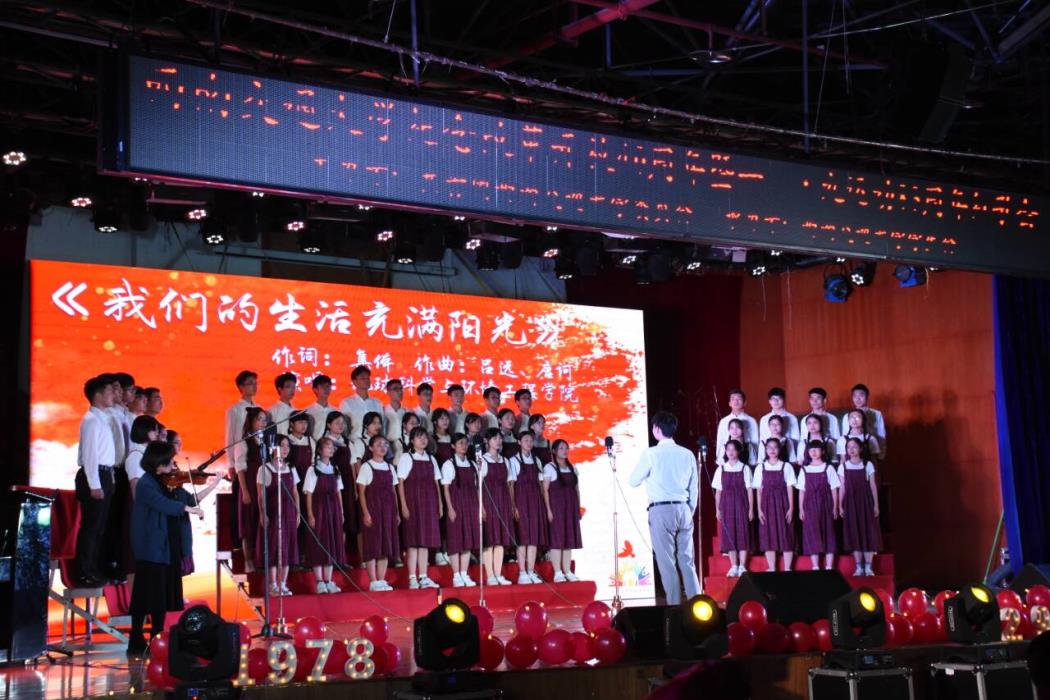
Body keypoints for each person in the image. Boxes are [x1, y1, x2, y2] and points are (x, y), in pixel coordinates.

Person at [126, 441, 206, 656]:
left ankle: (157, 635)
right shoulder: (146, 483)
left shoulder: (168, 482)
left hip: (167, 546)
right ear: (158, 464)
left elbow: (189, 498)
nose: (173, 465)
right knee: (146, 594)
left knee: (160, 596)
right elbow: (163, 505)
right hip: (151, 547)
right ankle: (136, 637)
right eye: (169, 462)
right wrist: (189, 509)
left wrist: (211, 485)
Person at [628, 411, 700, 605]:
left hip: (661, 510)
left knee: (667, 563)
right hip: (684, 509)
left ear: (657, 430)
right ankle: (697, 604)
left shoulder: (651, 453)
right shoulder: (687, 453)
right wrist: (690, 510)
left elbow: (633, 481)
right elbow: (694, 487)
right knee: (687, 561)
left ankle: (674, 607)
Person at [76, 376, 119, 586]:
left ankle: (95, 569)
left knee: (100, 527)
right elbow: (90, 455)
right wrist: (94, 484)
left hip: (105, 474)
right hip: (95, 475)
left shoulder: (103, 419)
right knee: (91, 527)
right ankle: (84, 571)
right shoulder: (91, 420)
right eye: (110, 391)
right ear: (98, 395)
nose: (114, 395)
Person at [396, 426, 443, 589]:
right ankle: (412, 578)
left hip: (429, 503)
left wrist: (440, 504)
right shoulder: (406, 457)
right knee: (413, 541)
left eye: (425, 437)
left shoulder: (431, 459)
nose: (423, 440)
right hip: (413, 503)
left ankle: (423, 576)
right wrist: (403, 505)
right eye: (419, 437)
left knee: (425, 541)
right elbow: (400, 482)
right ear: (412, 440)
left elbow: (436, 482)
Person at [256, 434, 300, 596]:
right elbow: (260, 495)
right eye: (282, 445)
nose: (285, 449)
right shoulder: (265, 469)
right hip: (273, 514)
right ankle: (273, 584)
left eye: (288, 446)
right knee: (274, 548)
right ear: (274, 448)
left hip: (289, 513)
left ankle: (283, 583)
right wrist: (263, 514)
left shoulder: (291, 468)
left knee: (287, 547)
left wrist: (298, 512)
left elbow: (295, 492)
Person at [357, 435, 400, 591]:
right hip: (373, 509)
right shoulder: (366, 466)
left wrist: (396, 512)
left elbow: (393, 492)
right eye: (379, 444)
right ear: (371, 448)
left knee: (385, 544)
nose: (383, 447)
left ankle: (381, 580)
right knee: (373, 544)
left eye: (385, 445)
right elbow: (361, 492)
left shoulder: (390, 467)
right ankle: (373, 581)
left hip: (388, 511)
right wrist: (366, 513)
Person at [303, 437, 345, 594]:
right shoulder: (313, 470)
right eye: (328, 446)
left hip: (333, 510)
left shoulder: (335, 469)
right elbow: (308, 493)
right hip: (319, 509)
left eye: (332, 447)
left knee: (331, 542)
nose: (331, 449)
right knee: (319, 542)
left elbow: (338, 492)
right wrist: (310, 514)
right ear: (320, 450)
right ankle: (319, 581)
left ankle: (328, 580)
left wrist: (341, 511)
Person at [441, 434, 482, 588]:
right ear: (453, 446)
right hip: (456, 505)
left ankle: (464, 573)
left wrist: (479, 507)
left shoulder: (472, 464)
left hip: (471, 504)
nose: (464, 446)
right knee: (456, 539)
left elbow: (477, 487)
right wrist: (450, 508)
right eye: (460, 443)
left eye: (465, 443)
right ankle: (456, 575)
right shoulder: (449, 464)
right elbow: (446, 488)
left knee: (467, 539)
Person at [837, 437, 881, 576]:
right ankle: (858, 567)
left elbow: (872, 485)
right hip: (850, 502)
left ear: (861, 448)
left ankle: (868, 567)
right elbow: (842, 487)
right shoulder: (843, 466)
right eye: (849, 447)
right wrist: (840, 505)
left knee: (868, 532)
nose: (851, 450)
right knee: (854, 532)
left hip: (865, 502)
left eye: (854, 446)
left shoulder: (867, 464)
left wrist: (876, 505)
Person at [753, 438, 796, 572]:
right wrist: (759, 510)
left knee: (786, 533)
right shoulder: (760, 467)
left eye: (775, 447)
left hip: (783, 503)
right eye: (769, 447)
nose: (772, 450)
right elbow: (759, 490)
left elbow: (790, 488)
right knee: (768, 534)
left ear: (780, 449)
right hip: (766, 504)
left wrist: (791, 508)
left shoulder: (786, 466)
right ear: (765, 450)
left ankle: (788, 568)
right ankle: (772, 568)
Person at [543, 439, 583, 583]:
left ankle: (567, 570)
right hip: (557, 508)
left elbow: (577, 490)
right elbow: (545, 490)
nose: (564, 451)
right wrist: (548, 510)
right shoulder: (549, 467)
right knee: (557, 539)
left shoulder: (572, 468)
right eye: (561, 448)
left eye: (566, 448)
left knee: (568, 539)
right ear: (554, 451)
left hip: (570, 508)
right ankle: (557, 572)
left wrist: (578, 508)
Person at [798, 440, 841, 571]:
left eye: (817, 449)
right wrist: (801, 509)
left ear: (822, 451)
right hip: (810, 505)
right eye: (811, 450)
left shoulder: (828, 468)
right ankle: (815, 566)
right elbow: (802, 490)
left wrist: (835, 507)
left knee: (829, 533)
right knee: (812, 533)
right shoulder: (804, 469)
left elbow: (834, 488)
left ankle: (829, 567)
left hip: (826, 503)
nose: (814, 452)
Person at [712, 439, 753, 577]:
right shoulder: (721, 469)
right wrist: (717, 509)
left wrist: (751, 509)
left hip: (742, 504)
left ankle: (742, 566)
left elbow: (749, 490)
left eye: (734, 449)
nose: (731, 452)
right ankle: (734, 565)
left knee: (742, 533)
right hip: (726, 505)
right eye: (728, 449)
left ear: (738, 451)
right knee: (729, 534)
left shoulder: (744, 468)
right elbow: (718, 492)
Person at [510, 430, 546, 584]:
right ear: (519, 442)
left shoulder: (536, 460)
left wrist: (542, 504)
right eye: (525, 440)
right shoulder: (514, 460)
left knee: (533, 539)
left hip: (535, 502)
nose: (529, 443)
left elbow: (540, 484)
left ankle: (531, 571)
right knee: (523, 538)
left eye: (531, 440)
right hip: (521, 501)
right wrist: (514, 506)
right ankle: (522, 572)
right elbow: (511, 485)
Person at [480, 428, 515, 586]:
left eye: (500, 438)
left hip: (503, 501)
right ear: (487, 441)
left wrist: (512, 505)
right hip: (489, 502)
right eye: (494, 438)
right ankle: (490, 575)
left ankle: (498, 573)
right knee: (490, 540)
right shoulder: (483, 460)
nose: (498, 441)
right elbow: (478, 486)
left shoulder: (505, 461)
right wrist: (481, 507)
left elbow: (509, 484)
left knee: (500, 539)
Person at [321, 411, 357, 561]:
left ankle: (341, 557)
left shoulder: (348, 442)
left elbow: (353, 465)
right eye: (337, 423)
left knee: (346, 518)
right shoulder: (323, 442)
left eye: (343, 423)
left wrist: (354, 488)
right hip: (330, 482)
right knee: (331, 518)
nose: (341, 426)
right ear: (329, 425)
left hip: (346, 484)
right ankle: (329, 557)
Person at [237, 407, 266, 572]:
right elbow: (240, 469)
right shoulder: (243, 442)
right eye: (259, 419)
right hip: (249, 486)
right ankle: (248, 561)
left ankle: (261, 558)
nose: (262, 423)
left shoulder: (264, 441)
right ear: (251, 422)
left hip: (263, 486)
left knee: (262, 522)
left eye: (264, 420)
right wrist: (245, 491)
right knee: (248, 523)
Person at [225, 371, 258, 508]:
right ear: (241, 387)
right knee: (244, 497)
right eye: (250, 383)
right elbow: (230, 437)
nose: (254, 386)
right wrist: (230, 464)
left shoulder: (259, 409)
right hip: (241, 458)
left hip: (256, 456)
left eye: (255, 383)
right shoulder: (234, 410)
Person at [339, 365, 384, 443]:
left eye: (368, 378)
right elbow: (344, 427)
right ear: (355, 382)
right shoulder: (347, 403)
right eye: (363, 378)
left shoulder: (377, 403)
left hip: (374, 443)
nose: (366, 381)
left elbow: (381, 426)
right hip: (355, 442)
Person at [715, 390, 760, 466]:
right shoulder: (724, 421)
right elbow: (720, 441)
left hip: (746, 457)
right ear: (729, 403)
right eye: (733, 399)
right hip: (727, 459)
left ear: (745, 403)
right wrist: (720, 460)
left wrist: (755, 461)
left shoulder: (751, 420)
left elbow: (756, 441)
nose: (736, 401)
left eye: (739, 399)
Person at [842, 384, 887, 458]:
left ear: (867, 397)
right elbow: (845, 436)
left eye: (861, 395)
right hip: (853, 452)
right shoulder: (847, 416)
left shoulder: (876, 414)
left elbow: (881, 434)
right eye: (855, 396)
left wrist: (881, 454)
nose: (858, 399)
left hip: (871, 449)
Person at [305, 374, 335, 441]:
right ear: (315, 389)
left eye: (328, 386)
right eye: (322, 386)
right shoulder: (308, 411)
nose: (326, 389)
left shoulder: (335, 411)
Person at [286, 412, 315, 482]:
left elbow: (313, 461)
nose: (304, 425)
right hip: (291, 477)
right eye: (300, 422)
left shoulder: (310, 440)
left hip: (306, 477)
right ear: (292, 424)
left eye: (306, 423)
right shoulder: (287, 439)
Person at [384, 379, 407, 444]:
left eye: (401, 389)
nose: (400, 392)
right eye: (396, 389)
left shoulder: (406, 412)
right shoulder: (384, 412)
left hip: (404, 445)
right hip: (388, 445)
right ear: (388, 392)